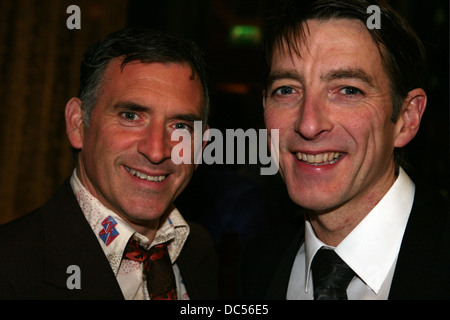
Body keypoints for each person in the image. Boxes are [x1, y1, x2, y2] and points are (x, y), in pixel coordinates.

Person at [239, 0, 450, 299]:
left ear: (406, 118)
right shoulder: (258, 263)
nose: (308, 124)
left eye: (348, 90)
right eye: (286, 90)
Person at [0, 27, 218, 300]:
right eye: (130, 115)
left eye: (180, 126)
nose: (156, 150)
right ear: (78, 124)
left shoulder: (198, 250)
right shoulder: (9, 268)